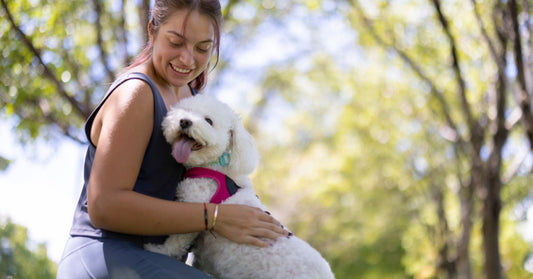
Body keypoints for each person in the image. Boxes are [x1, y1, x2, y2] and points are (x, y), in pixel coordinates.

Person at [56, 1, 289, 278]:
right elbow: (104, 206)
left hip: (162, 263)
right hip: (105, 256)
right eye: (176, 42)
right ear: (152, 30)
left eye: (202, 48)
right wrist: (214, 217)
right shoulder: (137, 93)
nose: (187, 59)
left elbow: (215, 178)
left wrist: (250, 217)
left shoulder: (191, 102)